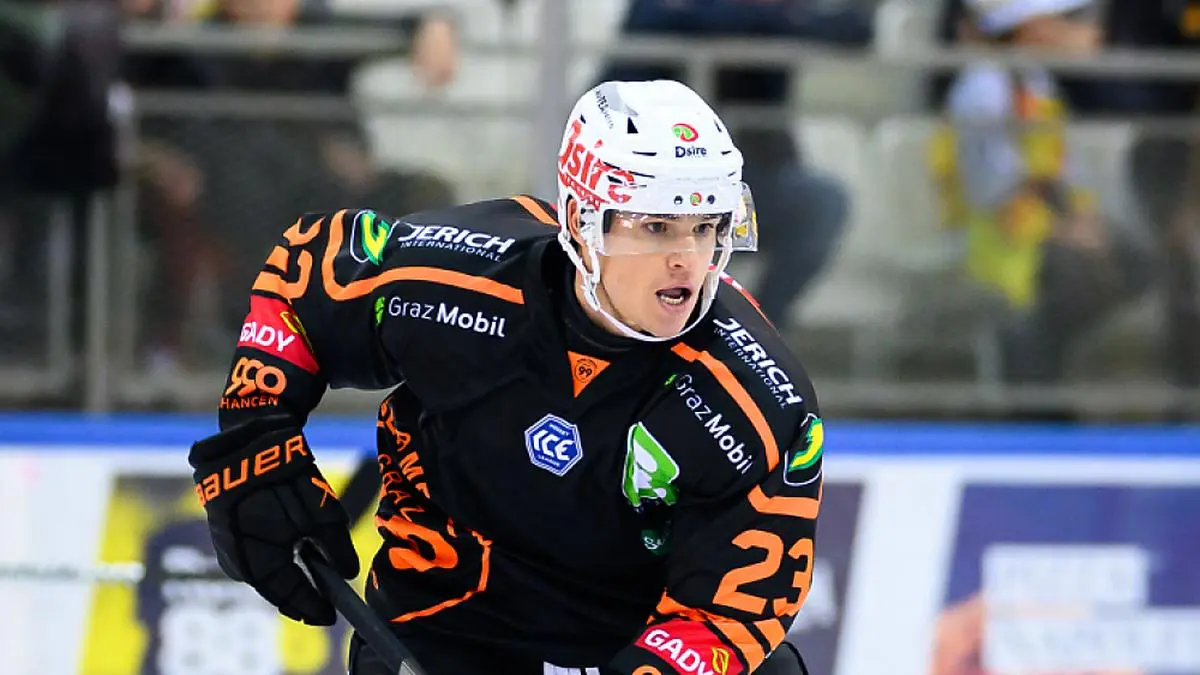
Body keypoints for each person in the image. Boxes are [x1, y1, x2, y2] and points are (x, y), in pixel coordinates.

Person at [187, 79, 823, 675]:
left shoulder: (758, 399)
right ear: (581, 222)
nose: (687, 260)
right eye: (656, 227)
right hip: (442, 626)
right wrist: (254, 444)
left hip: (628, 643)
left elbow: (732, 611)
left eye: (706, 228)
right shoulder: (459, 275)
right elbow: (302, 279)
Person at [928, 0, 1153, 384]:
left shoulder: (1035, 83)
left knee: (1134, 259)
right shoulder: (981, 91)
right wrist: (1064, 230)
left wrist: (1083, 220)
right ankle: (1029, 381)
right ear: (1031, 28)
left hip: (1042, 223)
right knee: (1070, 274)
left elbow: (1058, 169)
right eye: (1066, 20)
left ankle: (1047, 365)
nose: (1090, 30)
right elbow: (994, 190)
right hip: (998, 236)